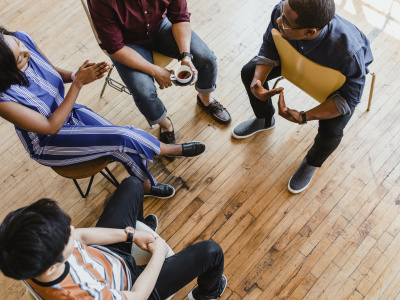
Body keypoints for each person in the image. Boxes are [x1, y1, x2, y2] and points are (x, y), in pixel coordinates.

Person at [0, 28, 208, 199]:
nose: (26, 51)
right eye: (19, 58)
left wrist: (74, 75)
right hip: (48, 141)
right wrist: (78, 83)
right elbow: (50, 127)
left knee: (121, 144)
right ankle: (169, 150)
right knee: (123, 137)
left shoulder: (21, 38)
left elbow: (51, 70)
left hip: (70, 113)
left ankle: (146, 187)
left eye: (20, 44)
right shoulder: (3, 100)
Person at [0, 176, 227, 300]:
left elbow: (81, 235)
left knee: (132, 184)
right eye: (66, 233)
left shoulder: (22, 253)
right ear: (52, 267)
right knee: (211, 252)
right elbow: (137, 297)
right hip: (132, 285)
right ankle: (207, 293)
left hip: (109, 258)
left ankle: (142, 226)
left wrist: (131, 234)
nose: (72, 229)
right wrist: (157, 254)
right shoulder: (82, 295)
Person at [232, 0, 373, 193]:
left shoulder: (349, 53)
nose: (279, 19)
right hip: (294, 59)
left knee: (332, 131)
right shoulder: (283, 13)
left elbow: (348, 100)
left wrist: (303, 116)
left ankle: (312, 162)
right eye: (282, 12)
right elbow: (270, 45)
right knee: (249, 72)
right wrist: (257, 82)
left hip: (335, 87)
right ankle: (264, 119)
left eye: (286, 22)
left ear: (310, 32)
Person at [88, 0, 232, 145]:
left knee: (206, 58)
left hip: (159, 26)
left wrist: (186, 55)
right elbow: (114, 48)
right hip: (127, 44)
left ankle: (205, 100)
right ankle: (165, 126)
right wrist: (156, 71)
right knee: (143, 91)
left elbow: (180, 16)